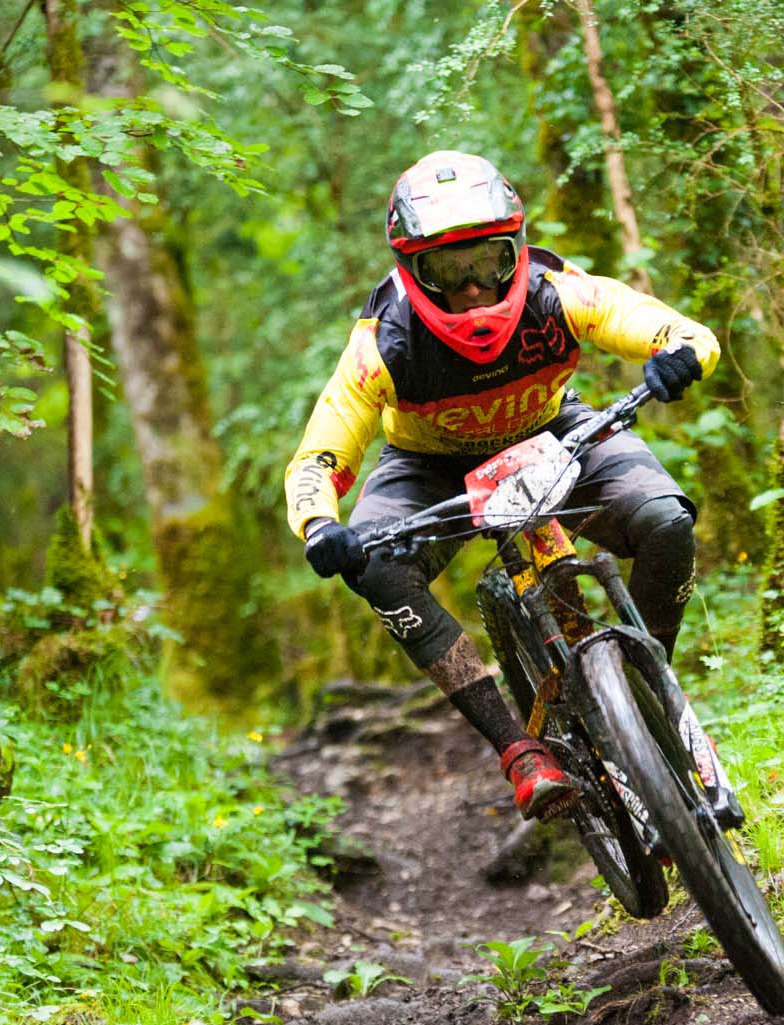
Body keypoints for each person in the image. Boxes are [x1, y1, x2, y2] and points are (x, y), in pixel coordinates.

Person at [284, 150, 718, 822]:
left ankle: (647, 683)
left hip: (554, 430)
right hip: (429, 465)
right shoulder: (383, 344)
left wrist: (681, 353)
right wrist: (319, 524)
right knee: (376, 569)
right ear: (413, 271)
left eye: (487, 263)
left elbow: (660, 323)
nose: (472, 291)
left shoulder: (556, 296)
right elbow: (319, 455)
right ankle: (517, 748)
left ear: (514, 251)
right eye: (447, 271)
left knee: (666, 521)